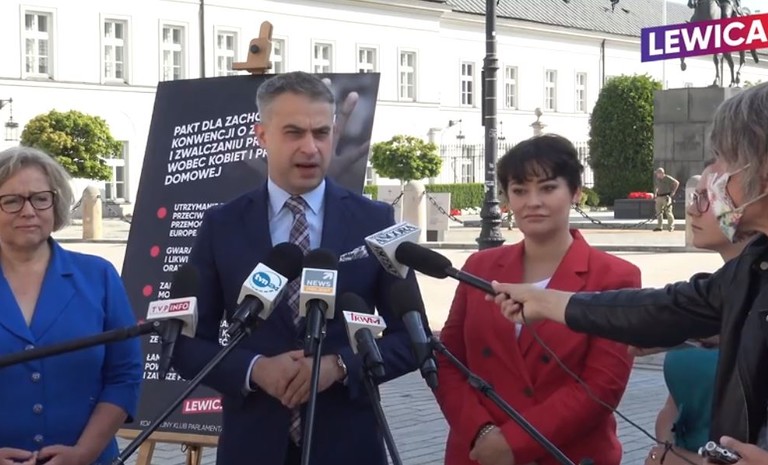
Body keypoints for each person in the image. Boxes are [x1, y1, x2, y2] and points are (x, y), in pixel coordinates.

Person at [489, 81, 768, 465]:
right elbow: (669, 307)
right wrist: (546, 301)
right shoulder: (754, 264)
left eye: (723, 158)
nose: (710, 175)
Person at [172, 71, 422, 465]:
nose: (310, 147)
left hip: (348, 447)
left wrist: (339, 366)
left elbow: (412, 338)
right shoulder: (222, 225)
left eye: (321, 133)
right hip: (252, 448)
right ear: (262, 135)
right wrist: (255, 369)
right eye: (293, 133)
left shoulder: (374, 221)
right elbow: (185, 345)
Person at [434, 134, 642, 465]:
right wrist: (481, 432)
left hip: (566, 452)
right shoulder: (480, 267)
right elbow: (447, 360)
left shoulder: (615, 276)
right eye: (519, 190)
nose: (533, 202)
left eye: (547, 188)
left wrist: (514, 443)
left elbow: (601, 386)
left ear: (575, 192)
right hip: (480, 452)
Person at [0, 146, 142, 465]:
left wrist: (83, 453)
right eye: (11, 201)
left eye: (40, 198)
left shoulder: (99, 276)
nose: (28, 211)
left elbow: (124, 374)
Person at [645, 160, 751, 465]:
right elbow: (675, 406)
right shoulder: (708, 294)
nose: (692, 210)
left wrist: (685, 461)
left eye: (706, 197)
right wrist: (667, 447)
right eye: (695, 197)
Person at [653, 167, 679, 232]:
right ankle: (659, 227)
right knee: (658, 213)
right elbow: (657, 187)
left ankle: (671, 226)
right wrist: (655, 195)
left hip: (666, 197)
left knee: (668, 212)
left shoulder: (667, 178)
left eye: (657, 173)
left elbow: (676, 183)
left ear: (661, 173)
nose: (657, 175)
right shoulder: (657, 179)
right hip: (659, 197)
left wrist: (673, 192)